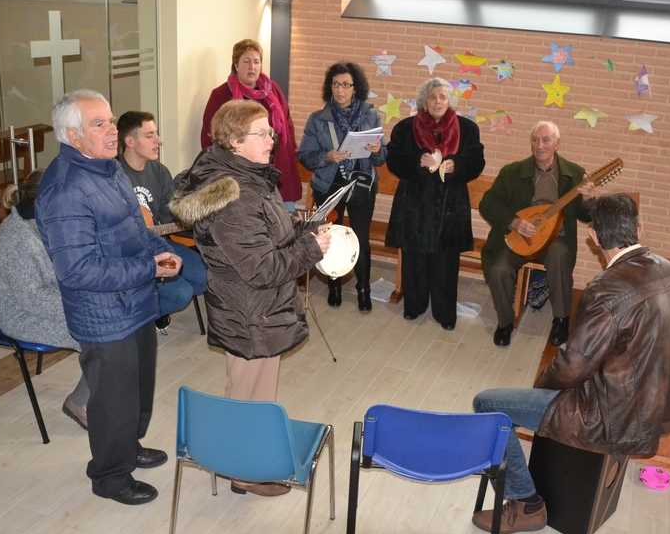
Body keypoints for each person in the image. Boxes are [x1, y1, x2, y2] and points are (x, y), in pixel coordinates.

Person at [472, 193, 670, 534]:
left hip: (609, 417)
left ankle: (526, 504)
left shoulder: (606, 288)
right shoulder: (667, 269)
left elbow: (573, 365)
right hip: (653, 410)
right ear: (640, 230)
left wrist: (541, 389)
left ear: (594, 236)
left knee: (488, 405)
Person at [171, 100, 330, 496]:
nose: (271, 140)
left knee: (248, 391)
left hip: (254, 307)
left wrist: (303, 229)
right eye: (262, 134)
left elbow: (267, 236)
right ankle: (244, 472)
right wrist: (311, 249)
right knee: (250, 397)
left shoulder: (249, 177)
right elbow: (261, 268)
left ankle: (241, 461)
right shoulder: (234, 197)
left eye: (270, 132)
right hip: (250, 311)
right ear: (235, 141)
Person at [37, 90, 181, 506]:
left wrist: (159, 251)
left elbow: (134, 226)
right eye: (98, 124)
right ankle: (110, 475)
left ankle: (127, 448)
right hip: (103, 313)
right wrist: (148, 268)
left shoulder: (108, 167)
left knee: (137, 388)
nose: (112, 130)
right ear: (72, 136)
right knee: (113, 399)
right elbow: (77, 270)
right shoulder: (65, 189)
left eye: (111, 120)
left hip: (133, 301)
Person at [479, 120, 595, 347]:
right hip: (520, 239)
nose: (540, 146)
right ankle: (505, 322)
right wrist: (513, 222)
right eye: (535, 140)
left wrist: (588, 200)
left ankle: (561, 320)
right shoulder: (512, 172)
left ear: (557, 144)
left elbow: (585, 215)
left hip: (555, 239)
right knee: (499, 269)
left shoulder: (574, 174)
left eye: (546, 140)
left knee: (560, 257)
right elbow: (488, 203)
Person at [0, 170, 90, 430]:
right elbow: (33, 301)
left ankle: (102, 395)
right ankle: (79, 403)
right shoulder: (17, 239)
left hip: (56, 301)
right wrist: (83, 305)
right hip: (22, 317)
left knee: (116, 326)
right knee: (100, 335)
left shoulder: (43, 223)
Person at [385, 77, 485, 330]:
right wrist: (417, 161)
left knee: (446, 263)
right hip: (414, 204)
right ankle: (414, 306)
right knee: (414, 259)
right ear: (424, 102)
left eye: (442, 97)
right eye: (432, 97)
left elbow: (476, 163)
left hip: (451, 207)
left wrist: (457, 166)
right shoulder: (405, 128)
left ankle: (445, 314)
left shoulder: (467, 129)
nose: (437, 101)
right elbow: (393, 160)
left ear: (450, 101)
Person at [297, 61, 385, 311]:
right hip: (328, 185)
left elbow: (382, 157)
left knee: (360, 238)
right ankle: (333, 286)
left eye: (346, 84)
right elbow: (305, 155)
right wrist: (326, 157)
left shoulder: (370, 115)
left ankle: (364, 289)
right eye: (335, 84)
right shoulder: (317, 119)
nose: (340, 90)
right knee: (330, 235)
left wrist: (377, 151)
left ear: (356, 88)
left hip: (361, 185)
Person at [116, 111, 209, 333]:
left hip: (160, 243)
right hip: (129, 256)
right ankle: (132, 319)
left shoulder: (159, 172)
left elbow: (170, 219)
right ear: (130, 141)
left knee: (205, 278)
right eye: (150, 135)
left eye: (156, 134)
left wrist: (198, 218)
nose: (158, 140)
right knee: (181, 294)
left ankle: (152, 310)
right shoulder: (113, 174)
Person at [199, 39, 301, 211]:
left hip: (278, 168)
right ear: (236, 64)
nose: (252, 67)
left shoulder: (273, 90)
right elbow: (209, 138)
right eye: (246, 61)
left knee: (284, 218)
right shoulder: (221, 95)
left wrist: (293, 155)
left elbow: (287, 126)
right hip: (240, 174)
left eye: (256, 61)